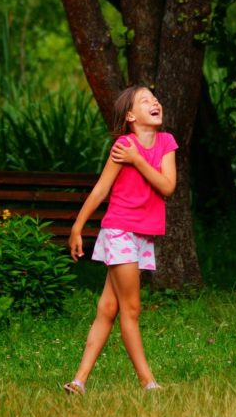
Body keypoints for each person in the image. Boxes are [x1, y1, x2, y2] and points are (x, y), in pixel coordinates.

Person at [62, 86, 178, 394]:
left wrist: (138, 160)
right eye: (145, 100)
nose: (155, 102)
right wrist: (77, 227)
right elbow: (101, 190)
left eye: (155, 98)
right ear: (130, 116)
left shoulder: (166, 143)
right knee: (131, 309)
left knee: (108, 308)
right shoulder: (123, 146)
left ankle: (79, 381)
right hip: (119, 230)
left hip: (142, 235)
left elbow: (167, 187)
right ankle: (147, 382)